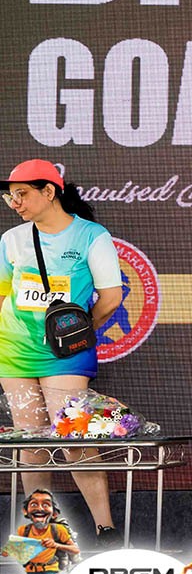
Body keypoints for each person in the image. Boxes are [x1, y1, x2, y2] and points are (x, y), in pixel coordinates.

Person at [0, 160, 123, 547]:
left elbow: (111, 296)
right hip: (14, 350)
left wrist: (79, 333)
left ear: (49, 191)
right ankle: (37, 533)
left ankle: (105, 530)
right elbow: (2, 293)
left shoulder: (91, 235)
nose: (15, 203)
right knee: (30, 442)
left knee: (74, 437)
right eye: (10, 197)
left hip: (65, 352)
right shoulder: (11, 239)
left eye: (22, 194)